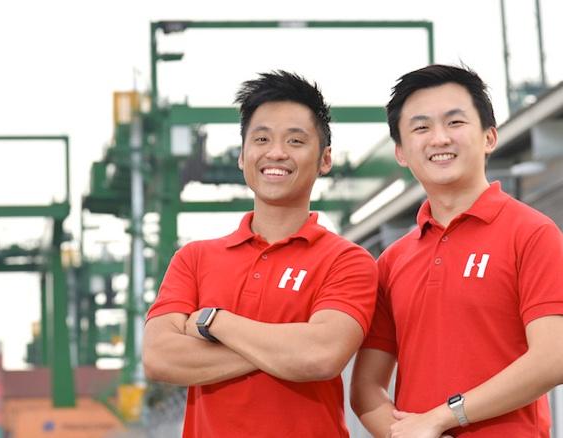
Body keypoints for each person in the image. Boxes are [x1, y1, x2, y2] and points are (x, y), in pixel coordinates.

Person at [143, 70, 377, 437]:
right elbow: (159, 357)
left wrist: (213, 322)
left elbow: (320, 357)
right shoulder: (194, 259)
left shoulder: (347, 261)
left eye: (295, 140)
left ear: (325, 158)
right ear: (242, 156)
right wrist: (287, 350)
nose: (276, 152)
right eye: (262, 139)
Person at [350, 64, 563, 437]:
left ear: (489, 137)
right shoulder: (392, 261)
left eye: (455, 122)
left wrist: (443, 418)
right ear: (401, 152)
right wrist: (406, 433)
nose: (439, 139)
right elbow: (366, 389)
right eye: (421, 128)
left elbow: (553, 357)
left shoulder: (533, 234)